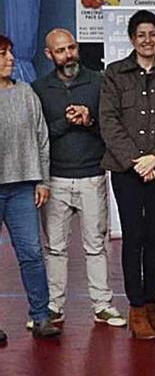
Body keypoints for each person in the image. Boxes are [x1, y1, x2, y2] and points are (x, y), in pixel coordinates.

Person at [31, 28, 125, 328]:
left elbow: (111, 130)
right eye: (61, 50)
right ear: (49, 55)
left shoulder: (99, 82)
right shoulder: (39, 88)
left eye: (72, 47)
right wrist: (66, 122)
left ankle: (102, 305)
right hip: (55, 178)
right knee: (55, 248)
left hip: (93, 175)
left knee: (96, 245)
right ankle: (54, 307)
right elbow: (38, 135)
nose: (68, 54)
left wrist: (89, 120)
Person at [100, 10, 155, 340]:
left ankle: (151, 305)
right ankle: (135, 308)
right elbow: (108, 121)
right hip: (126, 170)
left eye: (153, 34)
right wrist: (137, 161)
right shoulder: (115, 73)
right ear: (132, 39)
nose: (147, 40)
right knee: (133, 237)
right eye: (141, 35)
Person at [0, 33, 61, 339]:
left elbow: (42, 138)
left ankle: (40, 316)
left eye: (10, 53)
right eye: (3, 54)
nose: (11, 59)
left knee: (31, 254)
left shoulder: (26, 93)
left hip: (23, 187)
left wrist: (43, 180)